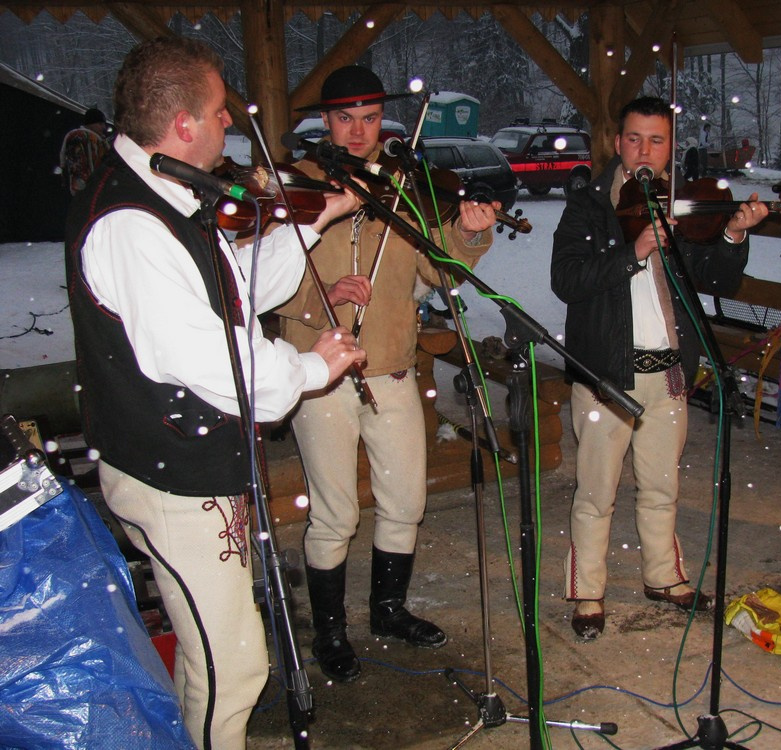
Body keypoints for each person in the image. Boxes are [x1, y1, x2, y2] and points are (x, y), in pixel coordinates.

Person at [65, 37, 366, 749]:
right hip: (174, 479)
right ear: (184, 124)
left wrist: (312, 219)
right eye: (220, 111)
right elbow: (208, 357)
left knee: (217, 652)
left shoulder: (168, 192)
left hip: (190, 467)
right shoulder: (133, 225)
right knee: (233, 670)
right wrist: (309, 368)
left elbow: (233, 295)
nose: (230, 123)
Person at [277, 65, 497, 682]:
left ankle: (388, 610)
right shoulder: (297, 185)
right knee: (335, 512)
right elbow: (261, 281)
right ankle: (329, 630)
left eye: (370, 118)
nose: (357, 132)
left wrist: (467, 236)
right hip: (319, 370)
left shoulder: (404, 184)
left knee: (405, 501)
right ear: (326, 120)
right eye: (344, 118)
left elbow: (440, 273)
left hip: (393, 366)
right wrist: (320, 300)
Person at [550, 96, 769, 640]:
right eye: (634, 139)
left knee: (661, 486)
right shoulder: (589, 204)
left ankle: (663, 577)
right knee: (596, 492)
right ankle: (588, 591)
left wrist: (733, 236)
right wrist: (634, 252)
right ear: (617, 142)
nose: (644, 151)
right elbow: (567, 281)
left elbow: (717, 280)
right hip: (606, 374)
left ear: (670, 147)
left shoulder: (680, 205)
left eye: (656, 140)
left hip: (668, 372)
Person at [60, 107, 110, 195]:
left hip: (97, 190)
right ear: (90, 123)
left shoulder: (101, 140)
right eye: (100, 124)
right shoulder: (79, 136)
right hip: (85, 191)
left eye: (103, 124)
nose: (103, 127)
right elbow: (77, 166)